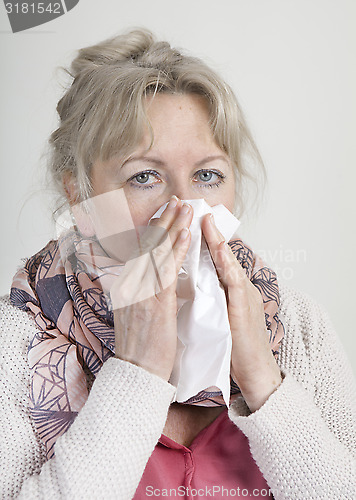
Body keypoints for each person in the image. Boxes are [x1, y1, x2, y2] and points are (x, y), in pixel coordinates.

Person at [1, 28, 355, 500]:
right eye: (144, 176)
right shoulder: (17, 341)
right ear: (78, 192)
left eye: (207, 175)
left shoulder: (298, 326)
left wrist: (263, 381)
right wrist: (137, 372)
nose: (185, 208)